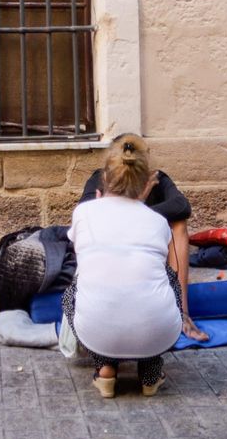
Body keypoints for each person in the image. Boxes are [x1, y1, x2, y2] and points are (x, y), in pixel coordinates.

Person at [64, 134, 186, 397]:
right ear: (145, 184)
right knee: (167, 278)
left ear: (104, 178)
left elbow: (82, 260)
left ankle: (105, 368)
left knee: (75, 288)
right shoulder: (156, 221)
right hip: (159, 332)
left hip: (96, 331)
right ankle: (151, 374)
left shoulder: (84, 212)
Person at [78, 143, 209, 342]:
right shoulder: (101, 178)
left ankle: (182, 312)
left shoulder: (157, 178)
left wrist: (135, 213)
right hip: (113, 260)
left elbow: (181, 206)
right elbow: (90, 216)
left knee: (179, 224)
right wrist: (136, 207)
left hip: (148, 261)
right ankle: (149, 369)